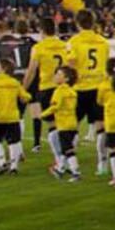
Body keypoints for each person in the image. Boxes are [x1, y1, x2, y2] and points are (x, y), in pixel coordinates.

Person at [68, 10, 112, 176]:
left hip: (80, 88)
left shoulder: (74, 42)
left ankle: (68, 161)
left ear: (77, 23)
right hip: (99, 88)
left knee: (72, 125)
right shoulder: (103, 42)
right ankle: (102, 163)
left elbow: (71, 64)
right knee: (101, 126)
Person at [26, 16, 69, 157]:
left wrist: (23, 88)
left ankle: (59, 159)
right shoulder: (65, 45)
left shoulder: (38, 48)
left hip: (47, 88)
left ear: (42, 30)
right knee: (63, 123)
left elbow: (32, 71)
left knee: (52, 125)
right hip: (63, 88)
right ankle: (68, 155)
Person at [0, 52, 29, 175]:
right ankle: (14, 167)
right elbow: (25, 96)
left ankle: (2, 162)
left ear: (3, 69)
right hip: (13, 116)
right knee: (14, 141)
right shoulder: (15, 82)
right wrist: (25, 98)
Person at [44, 66, 82, 181]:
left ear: (66, 79)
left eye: (59, 74)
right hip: (72, 123)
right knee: (67, 148)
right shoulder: (72, 92)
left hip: (63, 125)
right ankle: (60, 169)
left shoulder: (59, 91)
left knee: (67, 149)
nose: (55, 76)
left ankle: (75, 172)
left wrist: (43, 114)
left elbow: (55, 107)